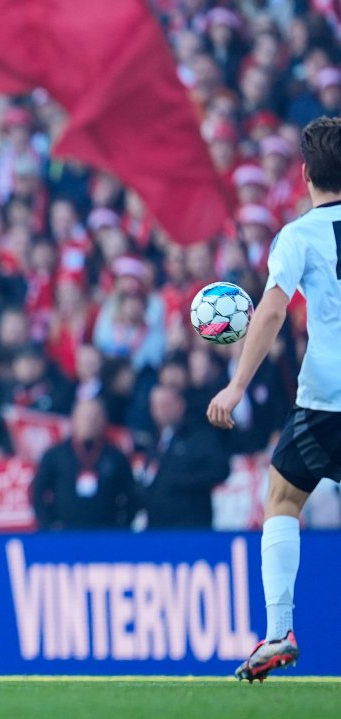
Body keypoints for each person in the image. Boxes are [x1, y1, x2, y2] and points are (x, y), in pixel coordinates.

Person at [208, 116, 341, 682]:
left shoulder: (299, 235)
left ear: (306, 172)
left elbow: (270, 309)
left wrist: (236, 385)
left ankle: (279, 632)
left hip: (326, 396)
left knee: (283, 499)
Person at [29, 399, 137, 530]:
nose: (90, 423)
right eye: (85, 417)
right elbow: (37, 492)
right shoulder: (55, 455)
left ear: (104, 421)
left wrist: (121, 527)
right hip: (65, 534)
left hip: (105, 534)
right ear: (74, 420)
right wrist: (48, 525)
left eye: (95, 417)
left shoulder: (116, 457)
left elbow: (132, 496)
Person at [140, 384, 230, 528]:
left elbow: (220, 469)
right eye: (156, 406)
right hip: (158, 526)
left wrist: (180, 480)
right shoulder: (155, 440)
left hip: (191, 524)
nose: (161, 411)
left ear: (180, 404)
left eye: (166, 405)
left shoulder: (200, 436)